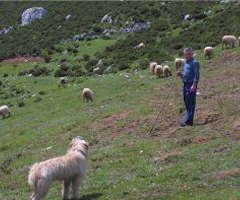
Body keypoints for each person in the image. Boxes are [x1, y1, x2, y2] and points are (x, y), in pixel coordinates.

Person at [177, 48, 200, 126]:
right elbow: (185, 76)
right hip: (185, 84)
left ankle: (188, 122)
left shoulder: (195, 63)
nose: (187, 56)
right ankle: (188, 119)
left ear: (191, 54)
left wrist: (194, 85)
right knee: (186, 102)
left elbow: (196, 75)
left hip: (191, 84)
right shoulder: (186, 63)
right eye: (186, 54)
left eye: (189, 54)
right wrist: (180, 75)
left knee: (190, 103)